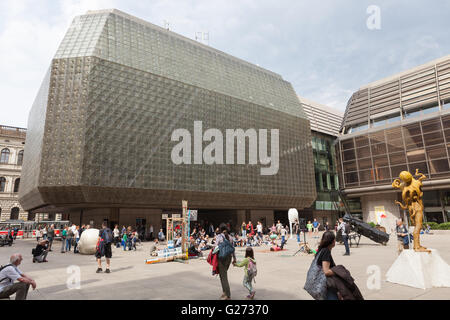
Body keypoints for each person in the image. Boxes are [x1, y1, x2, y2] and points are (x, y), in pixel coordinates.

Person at [215, 225, 237, 300]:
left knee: (223, 276)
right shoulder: (230, 237)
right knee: (222, 275)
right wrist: (234, 259)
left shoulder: (219, 237)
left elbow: (216, 247)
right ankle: (224, 292)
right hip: (229, 258)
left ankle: (227, 295)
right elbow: (233, 249)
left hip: (222, 257)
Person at [316, 231, 338, 300]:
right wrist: (339, 271)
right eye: (334, 239)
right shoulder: (326, 251)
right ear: (332, 241)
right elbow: (326, 271)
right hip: (327, 285)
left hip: (321, 284)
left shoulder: (321, 250)